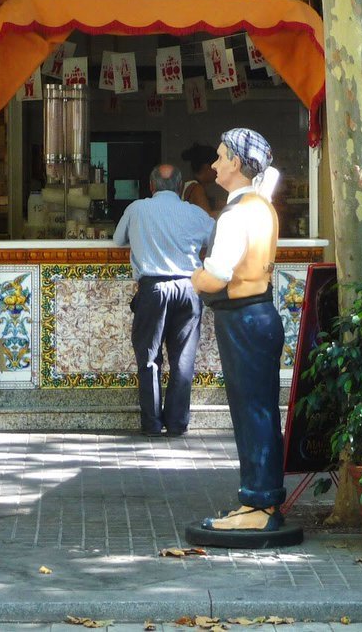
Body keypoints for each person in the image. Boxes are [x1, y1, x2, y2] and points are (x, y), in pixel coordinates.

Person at [189, 128, 294, 538]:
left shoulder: (236, 215)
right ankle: (260, 498)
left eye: (220, 157)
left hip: (243, 319)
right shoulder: (262, 207)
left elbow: (216, 276)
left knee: (252, 413)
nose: (214, 164)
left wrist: (194, 277)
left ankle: (259, 501)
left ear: (236, 161)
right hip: (260, 314)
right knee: (261, 410)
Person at [113, 164, 215, 437]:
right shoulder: (195, 213)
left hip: (153, 289)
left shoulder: (137, 209)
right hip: (188, 287)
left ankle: (152, 423)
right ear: (181, 187)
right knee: (183, 359)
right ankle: (177, 423)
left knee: (149, 358)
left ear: (151, 186)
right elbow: (215, 241)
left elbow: (117, 240)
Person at [180, 142, 221, 215]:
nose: (218, 170)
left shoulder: (190, 185)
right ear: (207, 167)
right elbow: (207, 217)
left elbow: (216, 203)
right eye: (215, 167)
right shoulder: (197, 189)